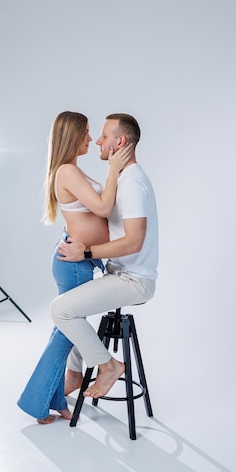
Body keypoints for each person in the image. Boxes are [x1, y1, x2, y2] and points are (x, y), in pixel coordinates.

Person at [17, 111, 132, 424]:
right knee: (64, 336)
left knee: (63, 332)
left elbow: (93, 214)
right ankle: (35, 401)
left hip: (81, 261)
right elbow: (104, 208)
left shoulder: (72, 171)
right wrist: (113, 169)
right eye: (86, 133)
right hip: (76, 266)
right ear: (72, 136)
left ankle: (53, 399)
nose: (91, 139)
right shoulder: (67, 171)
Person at [52, 113, 158, 399]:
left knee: (61, 310)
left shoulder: (132, 182)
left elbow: (134, 242)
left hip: (133, 280)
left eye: (102, 135)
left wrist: (85, 251)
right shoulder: (121, 179)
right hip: (118, 273)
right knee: (70, 307)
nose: (96, 140)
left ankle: (108, 366)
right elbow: (94, 211)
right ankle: (75, 373)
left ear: (119, 142)